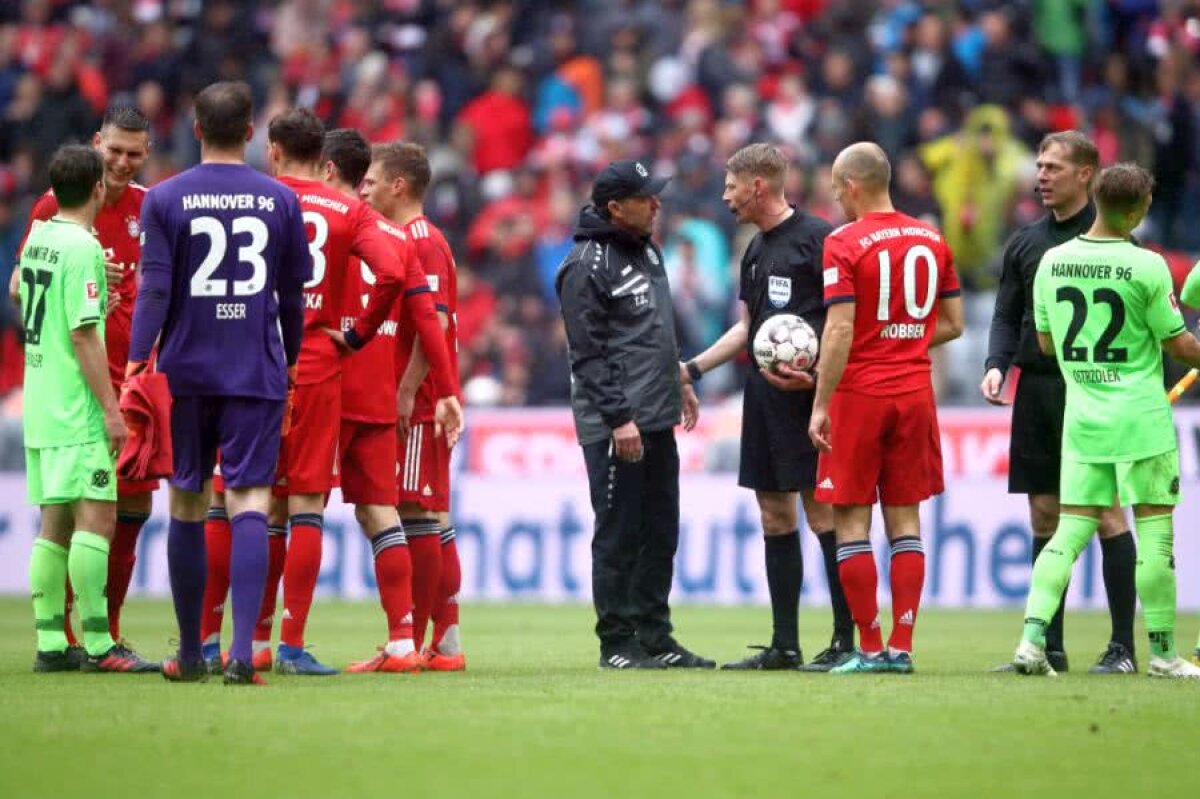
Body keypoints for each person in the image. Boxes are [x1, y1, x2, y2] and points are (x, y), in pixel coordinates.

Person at [127, 81, 312, 685]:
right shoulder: (280, 200)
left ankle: (188, 652)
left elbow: (154, 288)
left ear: (197, 128)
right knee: (250, 501)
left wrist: (136, 358)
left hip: (184, 372)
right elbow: (292, 295)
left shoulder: (164, 197)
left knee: (186, 500)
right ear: (253, 130)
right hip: (254, 369)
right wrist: (289, 356)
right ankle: (240, 655)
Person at [1012, 162, 1200, 680]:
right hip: (1142, 418)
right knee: (1155, 534)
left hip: (1083, 418)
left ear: (1094, 198)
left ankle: (1031, 643)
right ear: (1140, 210)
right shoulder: (1147, 265)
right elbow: (1177, 343)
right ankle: (1162, 653)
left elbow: (1047, 342)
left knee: (1067, 532)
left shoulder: (1052, 261)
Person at [679, 142, 854, 671]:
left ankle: (846, 640)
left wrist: (819, 375)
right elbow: (750, 329)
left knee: (822, 512)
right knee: (774, 515)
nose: (725, 196)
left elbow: (844, 320)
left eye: (732, 186)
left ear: (759, 185)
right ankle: (785, 645)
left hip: (807, 397)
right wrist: (692, 369)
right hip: (762, 395)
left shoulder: (821, 241)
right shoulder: (754, 250)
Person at [981, 131, 1138, 675]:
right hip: (1040, 391)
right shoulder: (1026, 243)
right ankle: (1048, 647)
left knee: (1106, 513)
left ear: (1086, 174)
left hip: (1094, 390)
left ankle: (1121, 648)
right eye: (1040, 166)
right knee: (1044, 513)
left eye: (1053, 167)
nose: (1041, 175)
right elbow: (1006, 315)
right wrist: (997, 365)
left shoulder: (1120, 244)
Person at [809, 142, 964, 674]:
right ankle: (903, 646)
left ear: (851, 184)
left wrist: (820, 403)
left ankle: (870, 647)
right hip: (916, 393)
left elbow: (841, 328)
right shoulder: (931, 236)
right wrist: (903, 342)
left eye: (835, 187)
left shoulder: (843, 242)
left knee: (850, 519)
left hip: (860, 394)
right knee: (906, 521)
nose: (834, 197)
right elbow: (954, 323)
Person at [555, 159, 711, 670]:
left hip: (658, 414)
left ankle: (655, 636)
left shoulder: (647, 250)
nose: (657, 203)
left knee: (660, 530)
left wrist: (678, 383)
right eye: (647, 197)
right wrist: (620, 418)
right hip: (616, 425)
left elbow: (652, 331)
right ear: (615, 207)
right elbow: (589, 354)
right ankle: (617, 643)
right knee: (620, 532)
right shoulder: (586, 266)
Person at [18, 107, 157, 659]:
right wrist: (91, 278)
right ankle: (95, 638)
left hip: (129, 379)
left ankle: (66, 636)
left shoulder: (150, 209)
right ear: (97, 145)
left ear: (146, 152)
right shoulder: (61, 210)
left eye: (134, 153)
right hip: (92, 391)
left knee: (120, 512)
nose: (123, 163)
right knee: (94, 516)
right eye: (114, 151)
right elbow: (24, 291)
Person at [326, 133, 462, 673]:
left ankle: (417, 640)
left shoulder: (420, 241)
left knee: (414, 513)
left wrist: (407, 390)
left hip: (419, 400)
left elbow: (440, 323)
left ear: (398, 186)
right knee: (428, 512)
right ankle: (443, 641)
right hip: (419, 395)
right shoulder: (411, 237)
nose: (366, 190)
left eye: (374, 182)